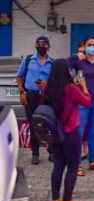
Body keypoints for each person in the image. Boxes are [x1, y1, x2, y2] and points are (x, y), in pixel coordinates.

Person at [44, 59, 91, 201]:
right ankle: (67, 200)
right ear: (67, 72)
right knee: (72, 167)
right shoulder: (71, 89)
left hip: (55, 133)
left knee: (58, 165)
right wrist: (84, 87)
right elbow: (87, 102)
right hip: (71, 132)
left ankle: (56, 198)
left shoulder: (47, 89)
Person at [68, 37, 94, 175]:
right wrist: (76, 58)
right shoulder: (80, 63)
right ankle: (77, 164)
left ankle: (92, 162)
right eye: (89, 45)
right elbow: (74, 74)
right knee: (80, 132)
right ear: (84, 47)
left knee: (93, 132)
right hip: (83, 101)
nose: (92, 47)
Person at [16, 36, 54, 165]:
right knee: (33, 124)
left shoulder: (52, 63)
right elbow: (19, 77)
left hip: (45, 97)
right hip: (30, 96)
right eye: (39, 44)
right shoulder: (28, 60)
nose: (41, 46)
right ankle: (35, 153)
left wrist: (46, 85)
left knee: (47, 124)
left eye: (44, 44)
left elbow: (55, 82)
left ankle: (51, 152)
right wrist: (22, 93)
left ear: (48, 47)